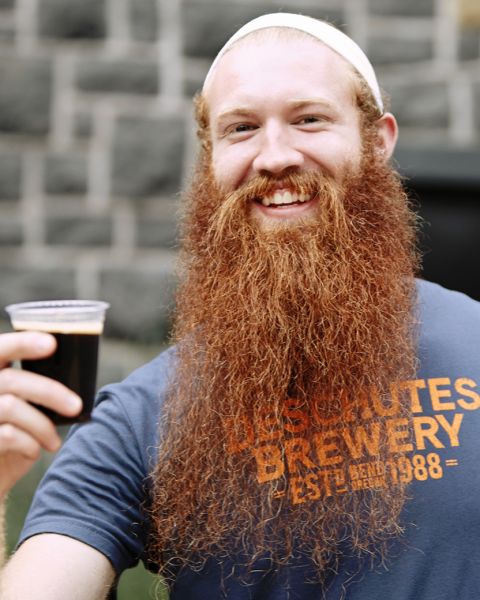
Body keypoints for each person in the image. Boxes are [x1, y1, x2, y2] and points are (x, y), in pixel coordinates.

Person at [1, 12, 480, 599]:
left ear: (377, 143)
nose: (274, 156)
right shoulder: (140, 419)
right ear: (210, 162)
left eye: (309, 119)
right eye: (241, 128)